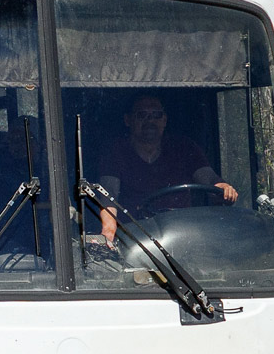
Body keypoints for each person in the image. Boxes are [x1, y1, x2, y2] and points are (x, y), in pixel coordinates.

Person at [96, 94, 237, 245]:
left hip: (184, 237)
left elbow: (208, 178)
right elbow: (108, 194)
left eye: (156, 115)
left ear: (164, 120)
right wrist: (109, 231)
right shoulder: (116, 152)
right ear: (128, 120)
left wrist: (221, 186)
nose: (150, 120)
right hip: (135, 240)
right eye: (142, 115)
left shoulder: (184, 148)